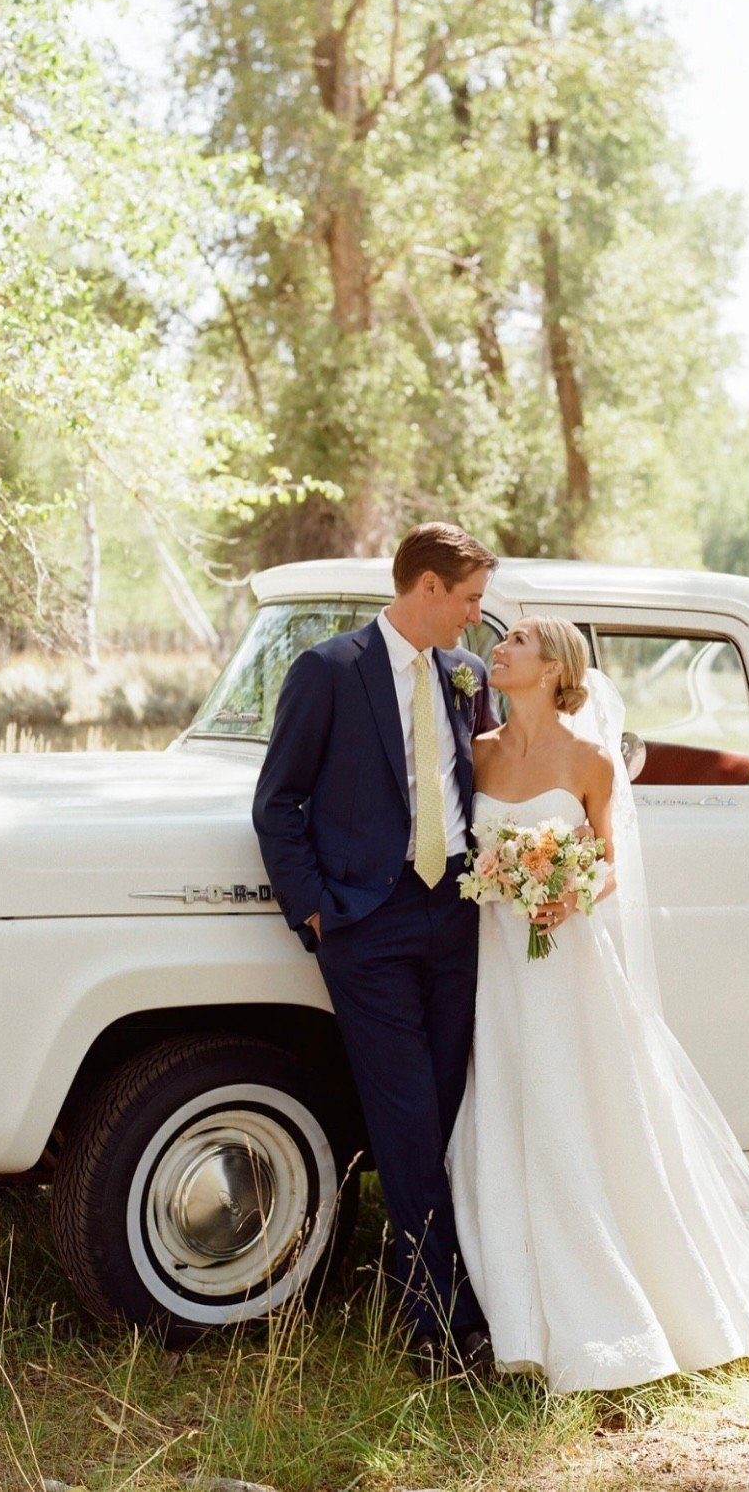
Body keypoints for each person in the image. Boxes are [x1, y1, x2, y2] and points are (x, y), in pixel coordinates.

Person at [448, 616, 749, 1392]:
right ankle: (518, 1302)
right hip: (498, 962)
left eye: (517, 640)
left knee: (586, 1104)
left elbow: (610, 865)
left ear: (555, 665)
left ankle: (621, 1284)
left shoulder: (591, 760)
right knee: (506, 1100)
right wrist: (502, 878)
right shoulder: (478, 753)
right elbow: (466, 847)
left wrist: (564, 893)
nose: (499, 648)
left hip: (568, 961)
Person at [253, 522, 500, 1376]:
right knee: (404, 1118)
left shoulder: (466, 678)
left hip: (458, 915)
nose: (475, 617)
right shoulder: (329, 671)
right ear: (426, 588)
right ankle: (439, 1324)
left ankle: (419, 1291)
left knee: (436, 1112)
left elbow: (485, 787)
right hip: (368, 923)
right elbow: (277, 803)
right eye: (469, 600)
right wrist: (317, 912)